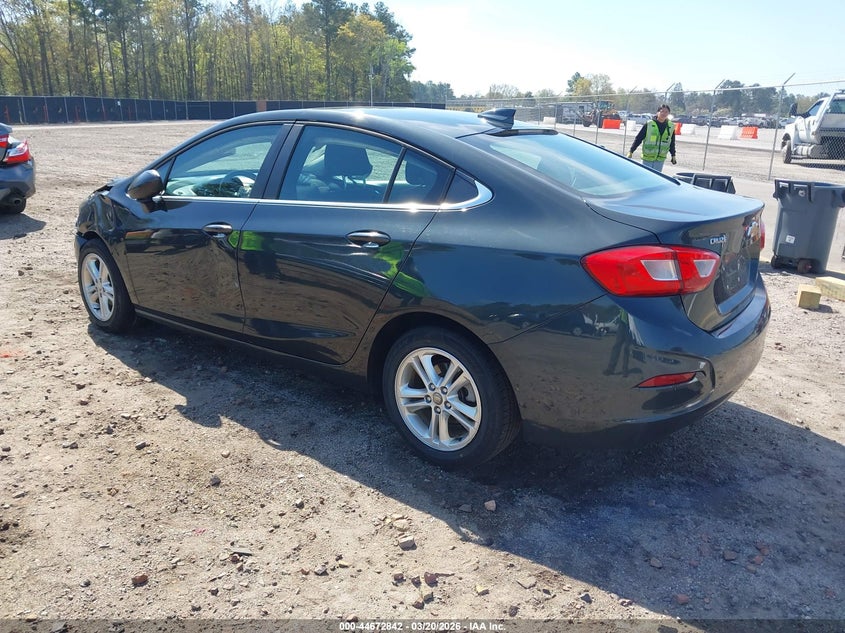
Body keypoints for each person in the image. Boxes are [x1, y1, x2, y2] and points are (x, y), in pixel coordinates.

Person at [627, 104, 677, 172]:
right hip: (647, 158)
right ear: (657, 112)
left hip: (660, 159)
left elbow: (671, 142)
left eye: (666, 112)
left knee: (656, 178)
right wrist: (631, 151)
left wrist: (673, 155)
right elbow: (639, 138)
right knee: (645, 177)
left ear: (668, 113)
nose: (664, 113)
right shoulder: (649, 124)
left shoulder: (671, 126)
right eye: (662, 111)